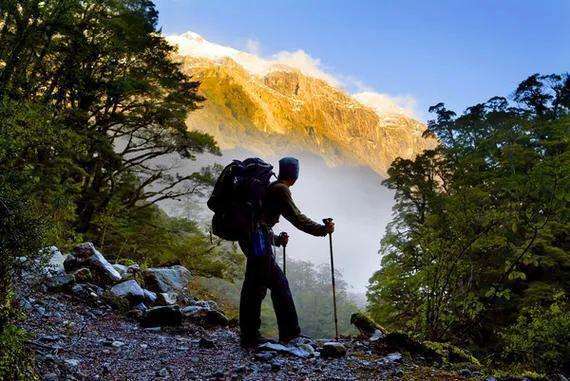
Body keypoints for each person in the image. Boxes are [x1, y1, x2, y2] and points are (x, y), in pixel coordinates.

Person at [238, 156, 335, 346]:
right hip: (258, 239)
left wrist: (275, 240)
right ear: (294, 174)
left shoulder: (271, 186)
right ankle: (285, 334)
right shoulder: (281, 189)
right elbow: (297, 218)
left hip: (251, 237)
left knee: (256, 285)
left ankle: (252, 334)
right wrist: (323, 230)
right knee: (269, 285)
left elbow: (260, 219)